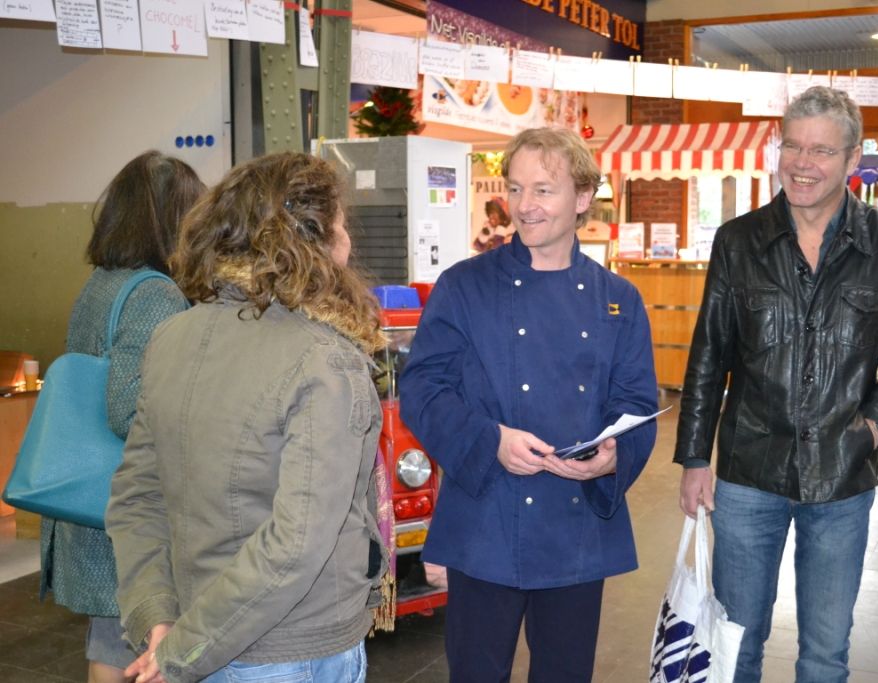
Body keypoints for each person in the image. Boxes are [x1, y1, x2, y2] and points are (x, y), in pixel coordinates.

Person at [675, 86, 878, 683]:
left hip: (843, 478)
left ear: (853, 158)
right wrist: (694, 457)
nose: (802, 163)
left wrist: (870, 429)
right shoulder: (738, 241)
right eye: (792, 146)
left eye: (821, 150)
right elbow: (709, 355)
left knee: (825, 655)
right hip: (746, 477)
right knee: (735, 643)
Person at [106, 152, 387, 683]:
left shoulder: (173, 336)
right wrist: (182, 650)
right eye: (342, 223)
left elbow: (136, 497)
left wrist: (160, 620)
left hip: (197, 625)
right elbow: (295, 545)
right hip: (291, 648)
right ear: (317, 240)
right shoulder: (325, 359)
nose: (348, 238)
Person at [399, 127, 658, 682]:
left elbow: (637, 402)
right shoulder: (464, 287)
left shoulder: (619, 299)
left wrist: (613, 455)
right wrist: (492, 441)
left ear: (583, 196)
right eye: (516, 189)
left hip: (575, 528)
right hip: (485, 519)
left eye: (543, 190)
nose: (524, 206)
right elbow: (422, 390)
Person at [40, 150, 204, 683]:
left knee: (110, 638)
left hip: (91, 497)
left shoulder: (104, 283)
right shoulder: (156, 293)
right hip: (127, 503)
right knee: (131, 637)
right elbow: (127, 406)